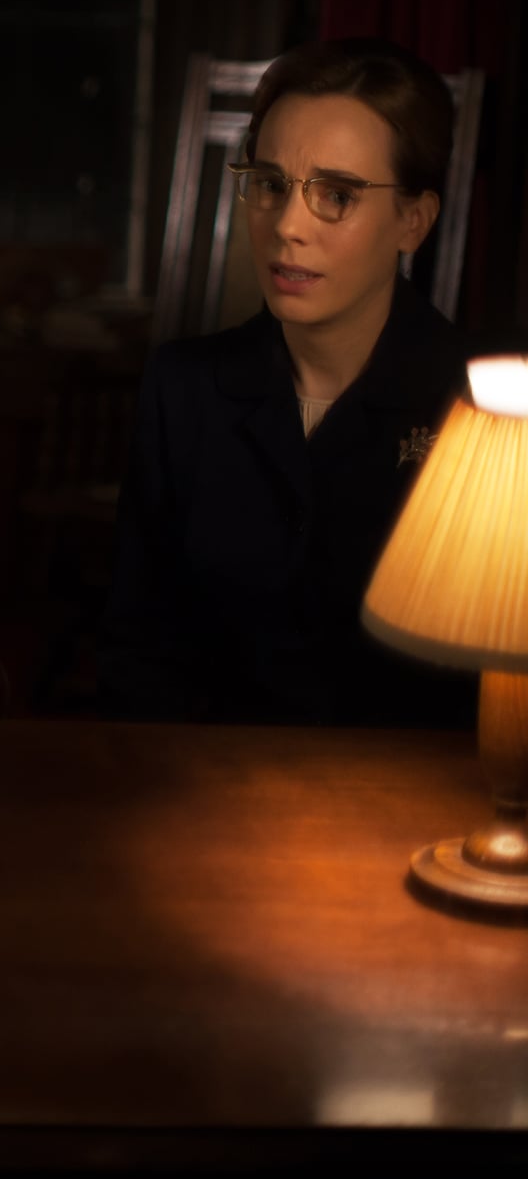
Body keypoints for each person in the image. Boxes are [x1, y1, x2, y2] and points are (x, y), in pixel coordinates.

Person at [99, 38, 475, 726]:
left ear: (413, 221)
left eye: (336, 195)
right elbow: (138, 652)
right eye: (270, 184)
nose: (288, 226)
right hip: (203, 796)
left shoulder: (483, 407)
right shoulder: (186, 390)